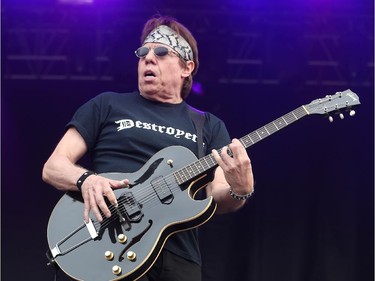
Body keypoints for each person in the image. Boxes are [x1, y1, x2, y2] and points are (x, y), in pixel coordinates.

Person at [42, 15, 254, 281]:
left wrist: (240, 191)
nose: (148, 58)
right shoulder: (106, 105)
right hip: (108, 244)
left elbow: (219, 196)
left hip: (178, 260)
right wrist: (86, 179)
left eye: (162, 52)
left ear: (186, 68)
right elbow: (53, 167)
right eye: (143, 52)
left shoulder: (208, 125)